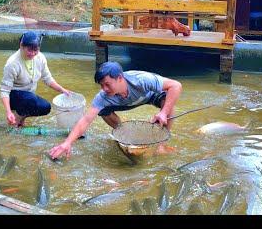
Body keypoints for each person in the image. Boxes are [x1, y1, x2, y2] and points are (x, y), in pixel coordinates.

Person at [49, 61, 182, 160]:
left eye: (107, 84)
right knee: (102, 110)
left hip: (148, 96)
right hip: (123, 103)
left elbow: (176, 85)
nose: (104, 89)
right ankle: (124, 134)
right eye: (101, 85)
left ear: (120, 78)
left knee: (168, 104)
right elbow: (85, 120)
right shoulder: (103, 97)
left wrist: (163, 113)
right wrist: (67, 143)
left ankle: (162, 145)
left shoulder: (141, 79)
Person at [0, 31, 70, 127]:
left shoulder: (40, 58)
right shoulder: (12, 64)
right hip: (14, 97)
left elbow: (47, 78)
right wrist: (8, 112)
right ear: (21, 46)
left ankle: (21, 119)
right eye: (29, 50)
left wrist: (62, 90)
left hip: (28, 97)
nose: (33, 54)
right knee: (30, 99)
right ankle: (14, 121)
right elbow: (4, 91)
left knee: (45, 107)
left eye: (35, 50)